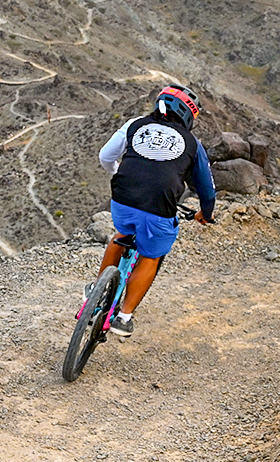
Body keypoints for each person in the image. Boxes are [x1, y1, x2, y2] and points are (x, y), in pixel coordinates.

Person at [87, 84, 216, 338]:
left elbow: (105, 156)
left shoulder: (136, 124)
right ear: (189, 116)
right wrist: (206, 214)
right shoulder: (193, 143)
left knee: (121, 233)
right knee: (150, 255)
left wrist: (118, 175)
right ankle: (123, 318)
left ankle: (95, 291)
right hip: (158, 208)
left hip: (122, 199)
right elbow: (208, 191)